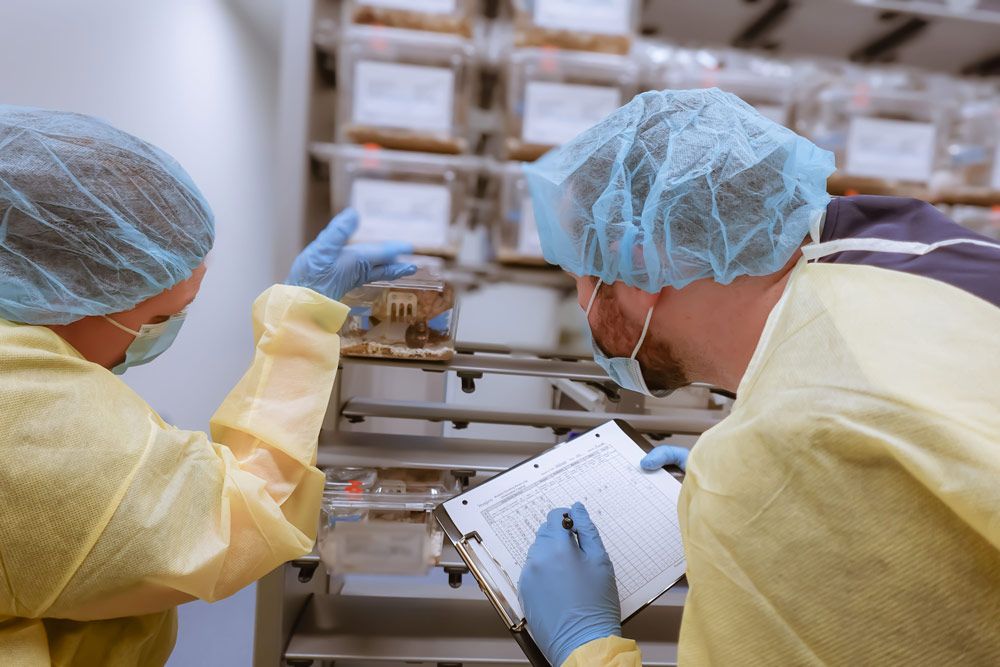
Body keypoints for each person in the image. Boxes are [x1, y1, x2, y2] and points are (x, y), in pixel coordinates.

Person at [517, 89, 1000, 665]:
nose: (581, 303)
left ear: (639, 264)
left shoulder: (782, 444)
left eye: (580, 272)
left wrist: (583, 645)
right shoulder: (894, 242)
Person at [0, 106, 415, 665]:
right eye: (164, 317)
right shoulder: (22, 408)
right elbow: (238, 521)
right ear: (70, 290)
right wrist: (299, 324)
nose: (162, 335)